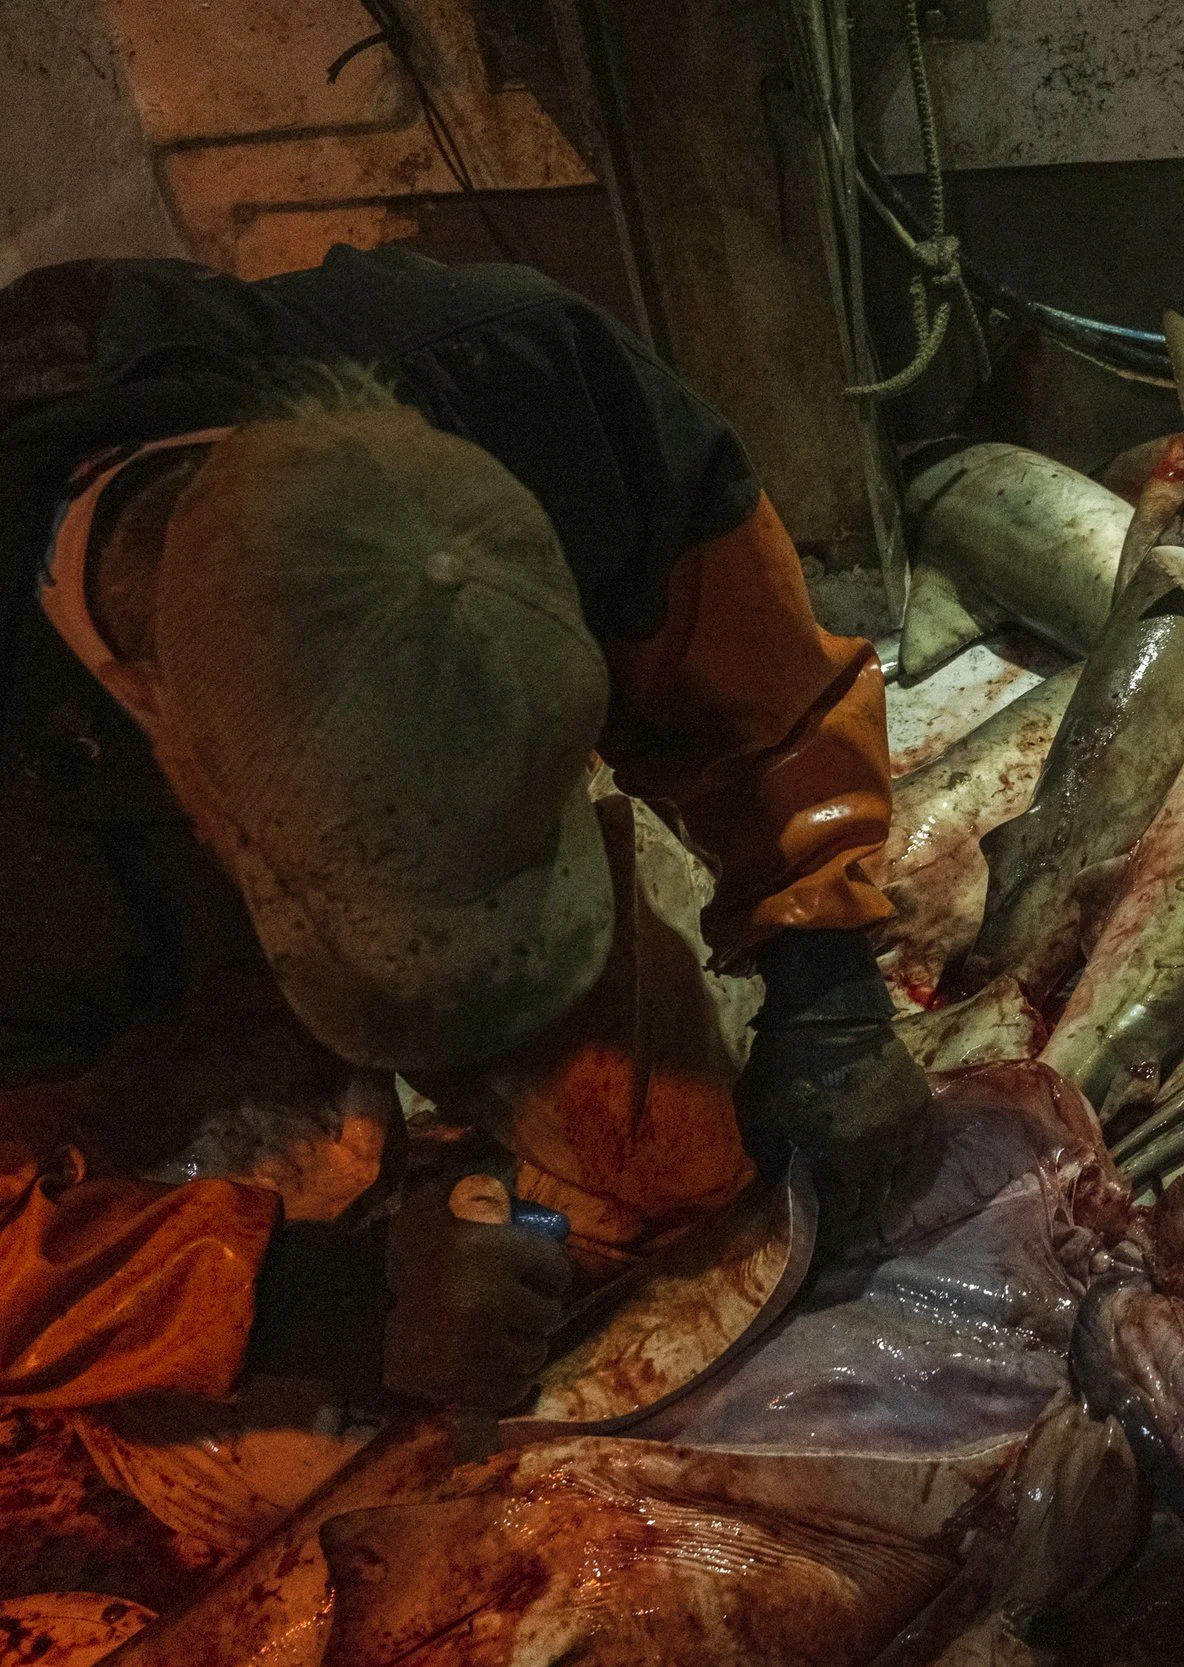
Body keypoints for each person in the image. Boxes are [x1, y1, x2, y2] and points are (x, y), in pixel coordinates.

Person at [0, 246, 930, 1440]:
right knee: (247, 1435)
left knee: (677, 1171)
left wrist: (824, 972)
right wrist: (318, 1301)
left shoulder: (523, 375)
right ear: (181, 769)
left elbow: (755, 691)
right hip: (77, 986)